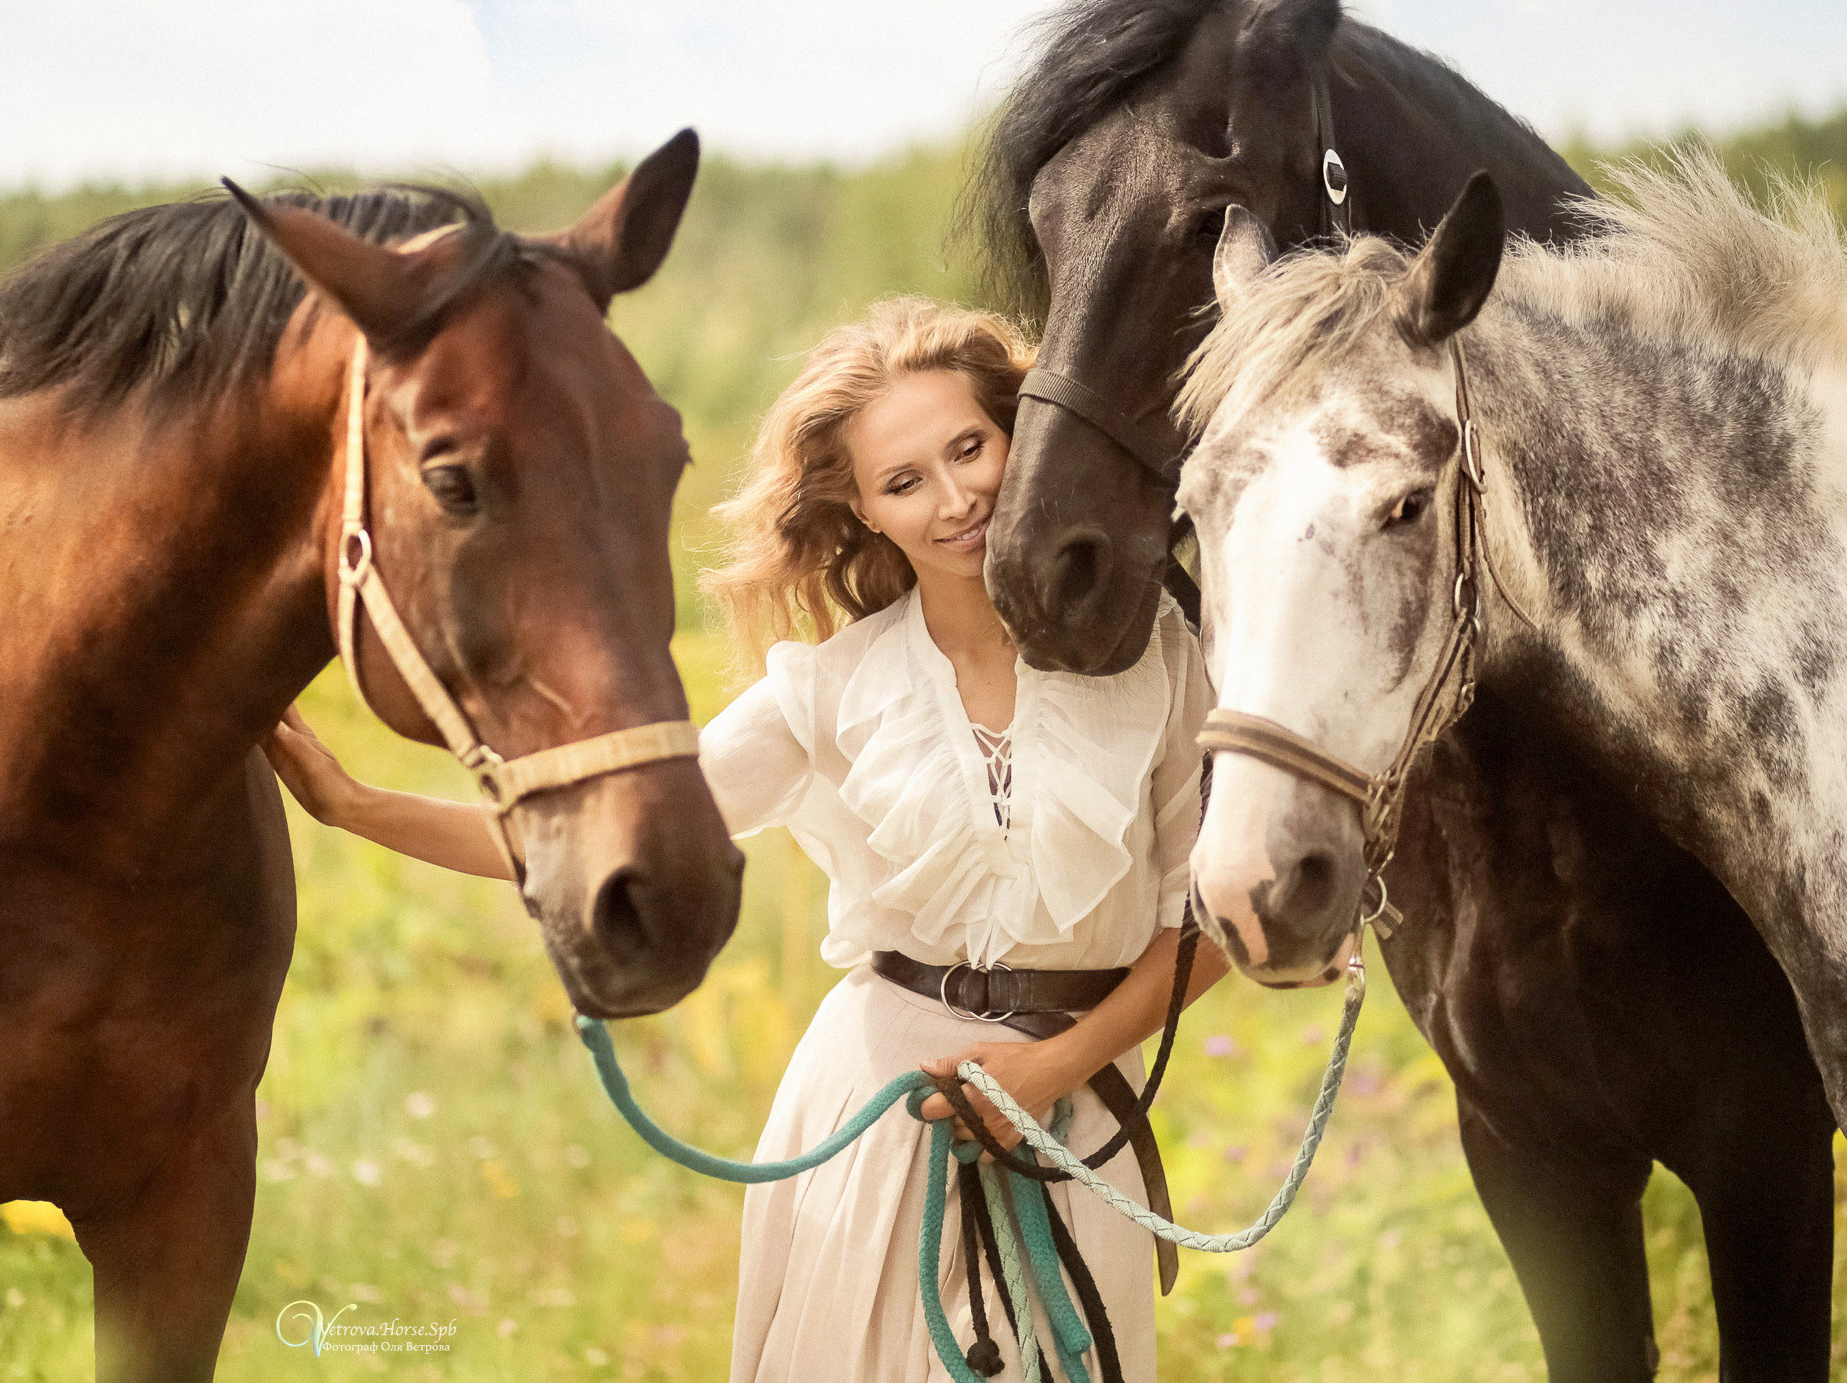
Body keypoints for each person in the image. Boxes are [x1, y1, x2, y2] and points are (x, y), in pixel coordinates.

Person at [266, 295, 1231, 1381]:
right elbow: (607, 835)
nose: (957, 498)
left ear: (1020, 435)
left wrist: (1057, 1065)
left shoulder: (1152, 651)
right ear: (863, 510)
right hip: (880, 1116)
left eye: (971, 448)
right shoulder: (829, 688)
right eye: (905, 481)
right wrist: (358, 805)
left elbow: (1207, 920)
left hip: (1075, 1118)